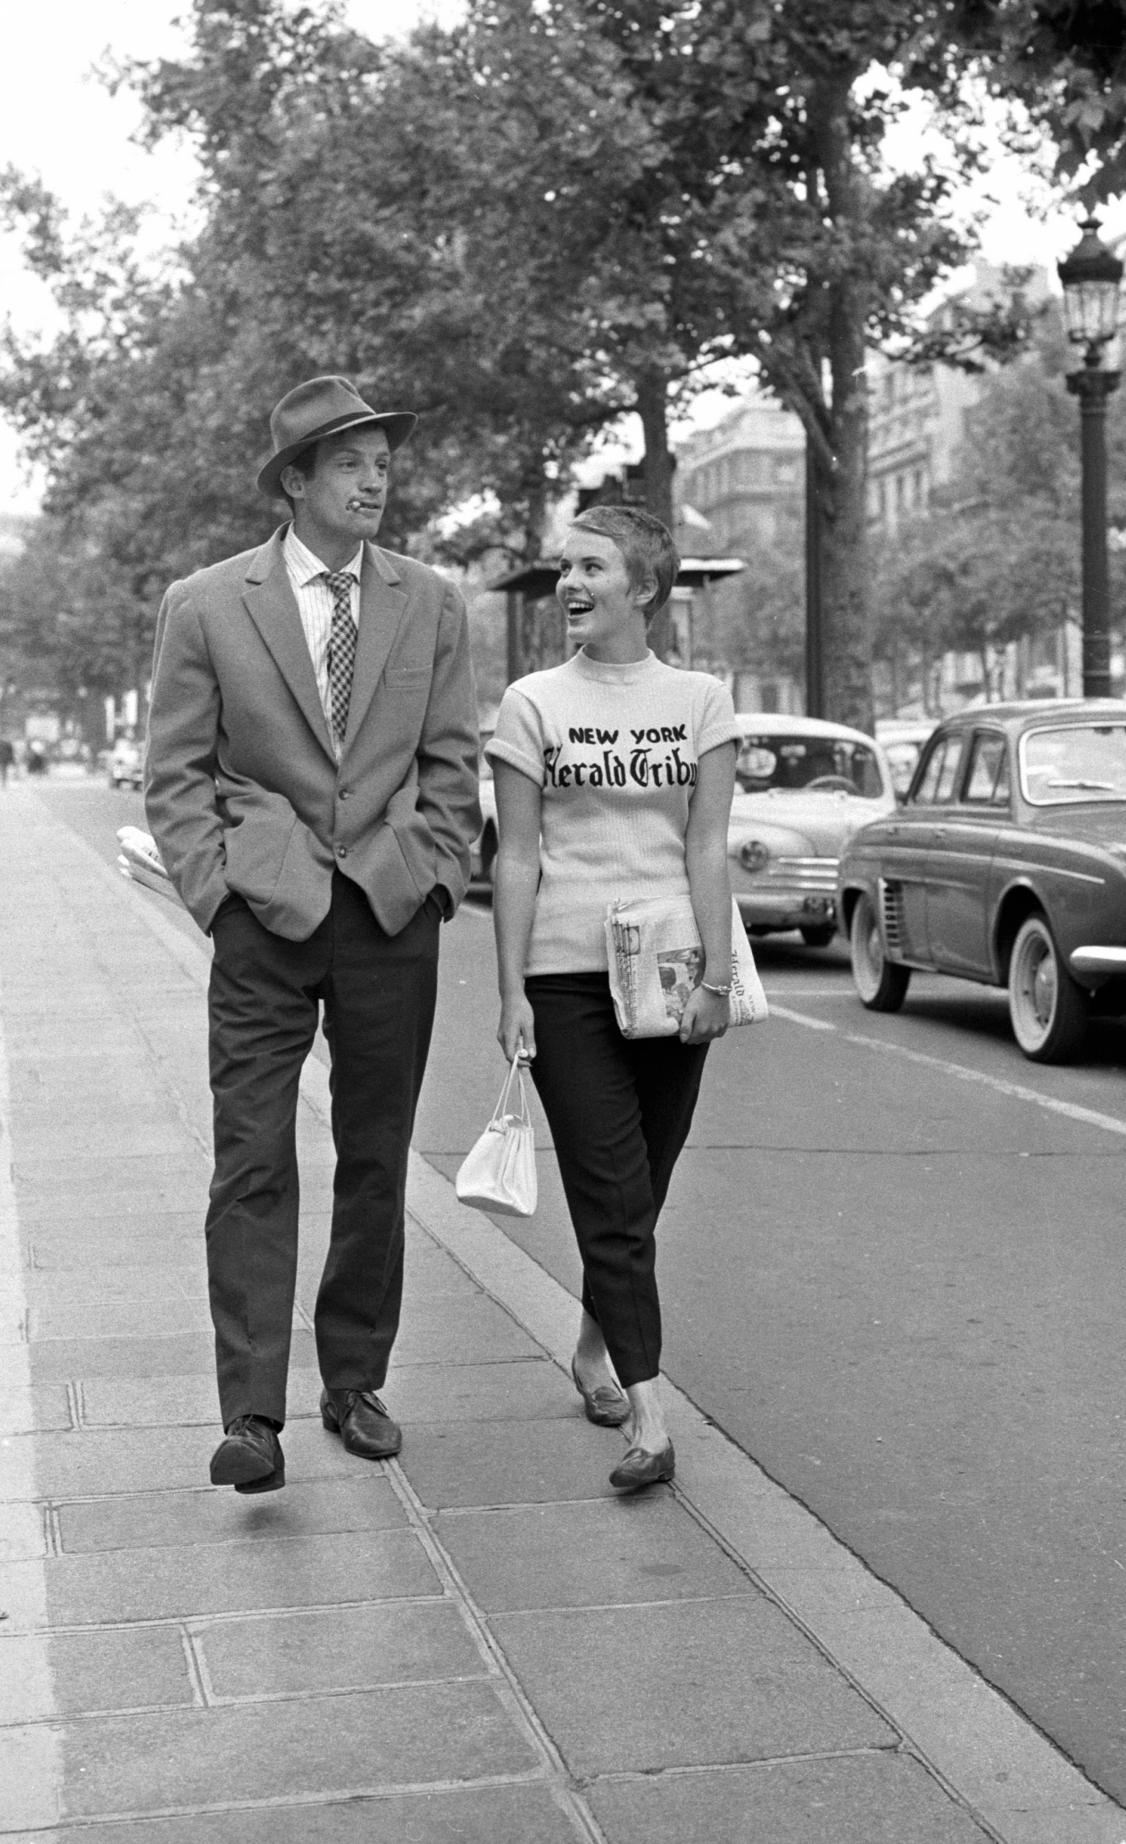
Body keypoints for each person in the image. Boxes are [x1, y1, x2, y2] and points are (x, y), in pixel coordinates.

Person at [147, 374, 479, 1495]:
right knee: (250, 1158)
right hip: (266, 913)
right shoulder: (205, 603)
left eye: (383, 458)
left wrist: (431, 873)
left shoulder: (431, 601)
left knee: (377, 1156)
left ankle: (353, 1382)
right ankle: (251, 1412)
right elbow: (176, 775)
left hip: (388, 911)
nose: (376, 476)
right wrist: (217, 892)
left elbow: (451, 764)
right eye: (350, 461)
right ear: (295, 482)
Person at [487, 503, 739, 1494]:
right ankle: (649, 1412)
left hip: (673, 971)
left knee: (642, 1189)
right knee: (609, 1191)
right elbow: (512, 855)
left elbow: (705, 843)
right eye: (563, 566)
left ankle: (593, 1351)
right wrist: (509, 987)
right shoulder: (530, 702)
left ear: (644, 586)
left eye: (590, 565)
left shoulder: (700, 699)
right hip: (562, 973)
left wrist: (718, 975)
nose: (568, 583)